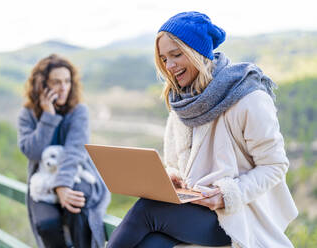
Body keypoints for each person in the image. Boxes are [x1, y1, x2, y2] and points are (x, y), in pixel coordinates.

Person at [107, 11, 298, 248]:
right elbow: (176, 163)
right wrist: (173, 180)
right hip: (194, 209)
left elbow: (274, 165)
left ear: (198, 52)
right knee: (150, 243)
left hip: (236, 215)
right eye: (164, 59)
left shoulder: (249, 98)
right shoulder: (181, 104)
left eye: (176, 55)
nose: (170, 66)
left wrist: (226, 194)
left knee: (147, 208)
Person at [18, 54, 110, 248]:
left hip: (77, 174)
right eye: (56, 82)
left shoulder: (79, 111)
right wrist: (48, 117)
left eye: (67, 81)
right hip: (42, 181)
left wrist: (62, 185)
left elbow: (75, 151)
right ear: (42, 85)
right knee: (46, 225)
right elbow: (32, 152)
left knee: (77, 207)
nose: (63, 88)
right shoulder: (27, 114)